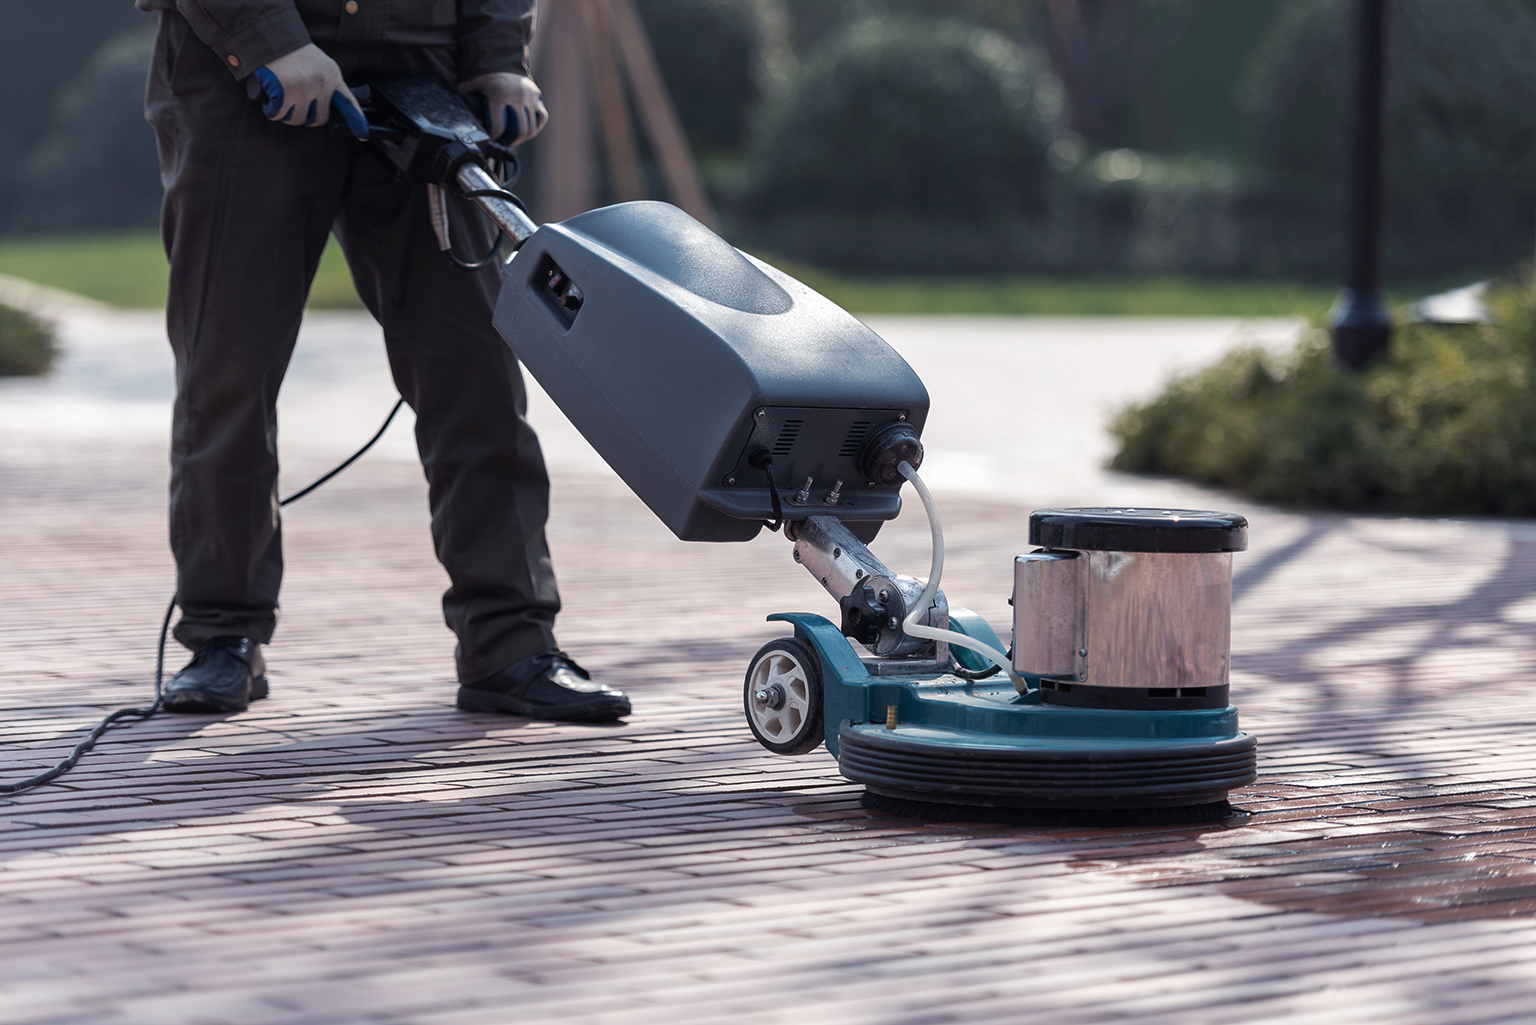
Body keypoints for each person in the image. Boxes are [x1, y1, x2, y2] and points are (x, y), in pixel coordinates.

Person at [137, 0, 630, 722]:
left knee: (476, 374)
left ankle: (510, 643)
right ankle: (223, 636)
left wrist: (495, 54)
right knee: (229, 372)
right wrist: (268, 41)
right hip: (241, 72)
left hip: (423, 68)